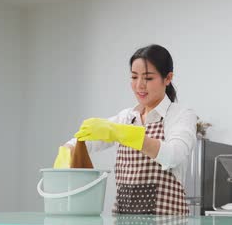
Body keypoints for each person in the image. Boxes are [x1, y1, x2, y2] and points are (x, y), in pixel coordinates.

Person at [55, 44, 197, 215]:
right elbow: (86, 142)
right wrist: (67, 150)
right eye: (134, 77)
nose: (139, 85)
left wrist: (124, 134)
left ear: (167, 78)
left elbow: (173, 155)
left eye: (148, 78)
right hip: (124, 224)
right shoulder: (126, 117)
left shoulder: (180, 114)